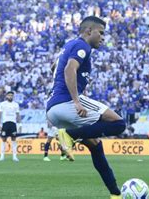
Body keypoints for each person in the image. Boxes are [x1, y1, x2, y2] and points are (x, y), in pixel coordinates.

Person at [46, 16, 126, 199]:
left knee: (96, 146)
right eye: (101, 33)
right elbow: (68, 69)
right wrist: (76, 100)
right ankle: (69, 135)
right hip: (66, 102)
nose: (103, 38)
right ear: (89, 31)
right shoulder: (83, 46)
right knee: (118, 123)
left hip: (53, 110)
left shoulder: (69, 46)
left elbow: (55, 67)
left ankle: (115, 194)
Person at [0, 91, 21, 162]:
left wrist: (20, 125)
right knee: (3, 139)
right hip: (5, 123)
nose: (10, 97)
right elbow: (0, 114)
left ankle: (14, 156)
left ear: (13, 97)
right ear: (6, 96)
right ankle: (2, 156)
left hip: (13, 123)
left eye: (11, 95)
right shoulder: (2, 104)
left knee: (14, 140)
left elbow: (18, 115)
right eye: (9, 95)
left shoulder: (16, 105)